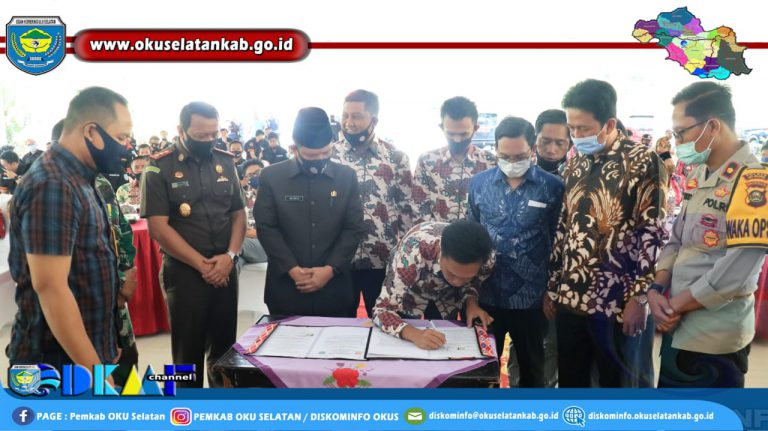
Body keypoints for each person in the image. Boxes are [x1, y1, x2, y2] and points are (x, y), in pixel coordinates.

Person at [546, 79, 666, 388]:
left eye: (583, 128)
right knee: (572, 383)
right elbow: (563, 227)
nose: (576, 136)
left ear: (609, 124)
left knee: (617, 388)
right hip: (571, 298)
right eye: (572, 128)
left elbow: (652, 232)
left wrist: (640, 297)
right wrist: (553, 286)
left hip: (617, 302)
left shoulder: (643, 162)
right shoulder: (573, 164)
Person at [651, 82, 767, 388]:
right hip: (677, 327)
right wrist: (656, 287)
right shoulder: (699, 173)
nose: (677, 142)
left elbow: (736, 273)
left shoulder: (754, 182)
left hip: (714, 337)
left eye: (681, 133)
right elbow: (677, 240)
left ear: (712, 126)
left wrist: (672, 307)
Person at [6, 86, 131, 371]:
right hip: (55, 362)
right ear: (91, 132)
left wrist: (104, 344)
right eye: (120, 137)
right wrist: (95, 372)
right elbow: (52, 289)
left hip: (80, 354)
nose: (126, 146)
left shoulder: (79, 177)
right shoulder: (53, 183)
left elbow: (87, 263)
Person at [141, 101, 246, 388]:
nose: (209, 140)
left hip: (225, 268)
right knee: (187, 353)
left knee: (225, 350)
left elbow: (239, 215)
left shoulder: (225, 161)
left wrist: (230, 256)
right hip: (185, 272)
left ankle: (222, 408)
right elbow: (158, 228)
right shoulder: (159, 167)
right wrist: (204, 266)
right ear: (181, 130)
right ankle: (188, 408)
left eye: (214, 134)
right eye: (201, 135)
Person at [468, 116, 564, 388]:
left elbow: (559, 240)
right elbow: (472, 236)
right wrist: (470, 295)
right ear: (495, 150)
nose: (512, 162)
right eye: (505, 156)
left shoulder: (552, 187)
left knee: (533, 372)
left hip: (532, 298)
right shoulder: (479, 184)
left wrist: (552, 289)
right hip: (487, 294)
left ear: (533, 149)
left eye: (520, 156)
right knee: (481, 371)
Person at [254, 107, 364, 317]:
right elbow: (267, 228)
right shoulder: (271, 177)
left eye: (326, 152)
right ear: (294, 148)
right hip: (286, 288)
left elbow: (353, 228)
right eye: (311, 155)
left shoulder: (346, 177)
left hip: (334, 288)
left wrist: (329, 270)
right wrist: (292, 269)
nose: (320, 158)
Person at [331, 89, 415, 317]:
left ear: (374, 120)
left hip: (382, 260)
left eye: (356, 116)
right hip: (339, 259)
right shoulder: (330, 156)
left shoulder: (396, 158)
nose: (348, 123)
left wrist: (407, 257)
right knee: (339, 325)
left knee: (384, 322)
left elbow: (406, 209)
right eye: (345, 115)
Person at [372, 221, 495, 349]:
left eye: (466, 278)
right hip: (410, 289)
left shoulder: (487, 260)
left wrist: (471, 303)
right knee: (402, 336)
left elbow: (475, 282)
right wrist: (413, 334)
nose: (457, 283)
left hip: (447, 297)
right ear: (441, 253)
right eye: (451, 274)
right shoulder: (411, 253)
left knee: (445, 334)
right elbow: (381, 311)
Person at [412, 96, 496, 224]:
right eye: (451, 134)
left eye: (463, 134)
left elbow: (494, 210)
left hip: (476, 236)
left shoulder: (490, 163)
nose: (457, 139)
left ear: (475, 129)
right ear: (442, 128)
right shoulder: (427, 162)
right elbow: (419, 210)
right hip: (436, 235)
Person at [93, 174, 139, 388]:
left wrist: (127, 273)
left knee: (128, 365)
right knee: (98, 378)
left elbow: (121, 229)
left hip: (117, 304)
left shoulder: (101, 183)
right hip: (87, 308)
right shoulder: (52, 185)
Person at [239, 159, 268, 268]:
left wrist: (256, 234)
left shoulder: (275, 196)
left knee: (234, 245)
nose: (255, 176)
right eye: (251, 175)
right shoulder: (242, 197)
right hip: (246, 242)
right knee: (234, 261)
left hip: (266, 244)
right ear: (246, 178)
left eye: (258, 173)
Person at [534, 109, 572, 175]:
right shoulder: (520, 171)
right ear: (535, 140)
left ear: (570, 145)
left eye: (560, 144)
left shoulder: (578, 177)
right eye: (545, 142)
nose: (551, 150)